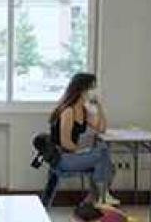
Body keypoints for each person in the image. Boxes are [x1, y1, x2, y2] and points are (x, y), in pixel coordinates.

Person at [49, 72, 114, 204]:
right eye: (92, 88)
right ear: (82, 90)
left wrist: (99, 107)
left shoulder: (83, 110)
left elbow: (101, 128)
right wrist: (82, 151)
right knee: (103, 154)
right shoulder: (68, 111)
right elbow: (65, 142)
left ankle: (96, 198)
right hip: (64, 158)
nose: (93, 91)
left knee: (106, 162)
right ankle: (100, 196)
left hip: (74, 155)